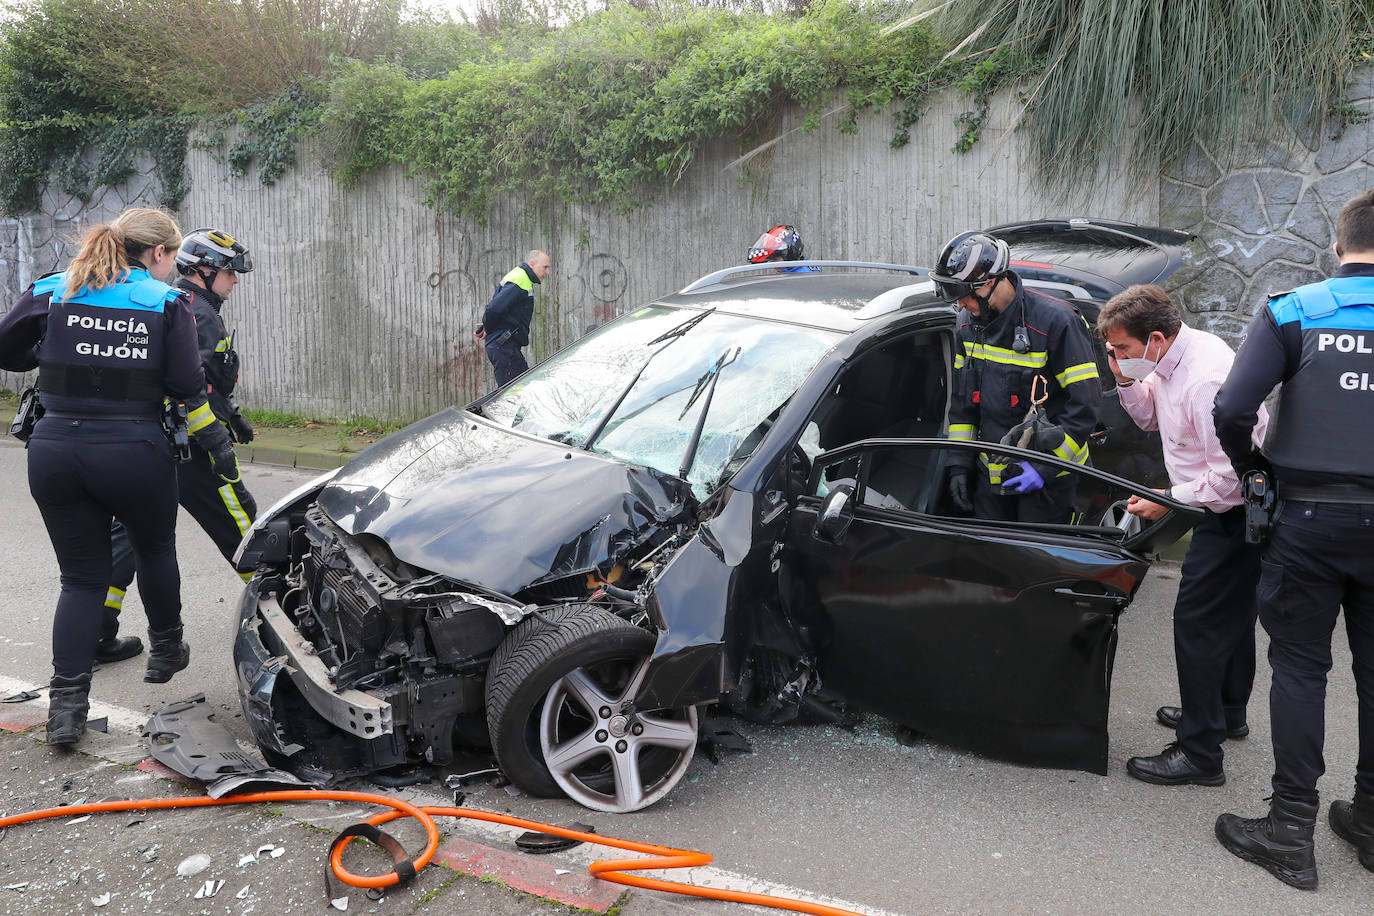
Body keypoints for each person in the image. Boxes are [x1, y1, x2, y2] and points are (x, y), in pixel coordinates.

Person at [0, 208, 240, 746]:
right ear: (158, 254)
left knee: (80, 580)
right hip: (134, 449)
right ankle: (166, 647)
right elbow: (186, 385)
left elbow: (6, 349)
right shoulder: (167, 303)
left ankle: (65, 711)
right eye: (172, 257)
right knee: (154, 549)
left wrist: (60, 351)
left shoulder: (53, 290)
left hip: (56, 450)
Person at [1212, 190, 1374, 890]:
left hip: (1305, 521)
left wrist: (1255, 472)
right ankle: (1369, 818)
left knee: (1302, 670)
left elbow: (1231, 408)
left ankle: (1290, 830)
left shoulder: (1294, 310)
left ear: (1338, 248)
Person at [1096, 285, 1266, 787]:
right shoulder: (1171, 360)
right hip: (1214, 499)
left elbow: (1230, 477)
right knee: (1231, 612)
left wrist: (1169, 498)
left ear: (1155, 339)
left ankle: (1199, 751)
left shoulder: (1204, 379)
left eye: (1121, 349)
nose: (1116, 357)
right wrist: (1124, 378)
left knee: (1198, 622)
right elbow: (1149, 416)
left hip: (1232, 508)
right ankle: (1226, 713)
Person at [98, 229, 259, 664]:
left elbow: (199, 377)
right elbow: (188, 389)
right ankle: (288, 612)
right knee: (243, 526)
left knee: (126, 536)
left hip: (151, 444)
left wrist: (232, 412)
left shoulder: (176, 304)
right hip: (193, 446)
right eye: (229, 272)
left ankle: (96, 629)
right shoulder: (198, 313)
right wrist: (217, 436)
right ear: (202, 270)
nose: (235, 281)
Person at [931, 231, 1102, 522]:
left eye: (964, 295)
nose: (960, 306)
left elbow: (1085, 409)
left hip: (1048, 486)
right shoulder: (966, 326)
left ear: (991, 283)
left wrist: (1043, 468)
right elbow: (962, 405)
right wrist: (959, 465)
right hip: (992, 482)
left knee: (1040, 566)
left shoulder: (1057, 322)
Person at [474, 250, 551, 387]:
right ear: (532, 264)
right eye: (545, 267)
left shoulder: (522, 277)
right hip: (503, 347)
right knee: (511, 396)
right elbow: (494, 309)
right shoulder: (520, 280)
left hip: (507, 346)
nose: (547, 272)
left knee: (524, 388)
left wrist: (488, 326)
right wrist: (488, 325)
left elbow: (503, 310)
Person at [747, 225, 817, 272]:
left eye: (775, 259)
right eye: (771, 260)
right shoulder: (793, 271)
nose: (772, 263)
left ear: (790, 255)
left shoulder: (803, 275)